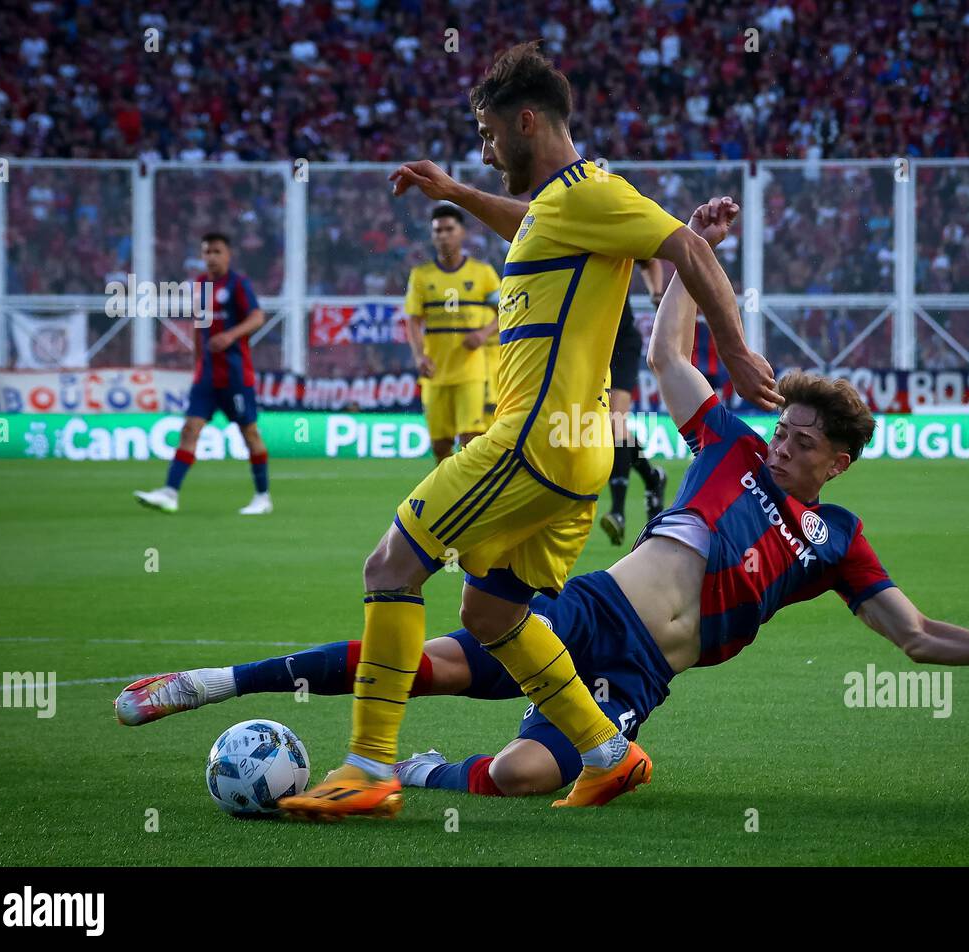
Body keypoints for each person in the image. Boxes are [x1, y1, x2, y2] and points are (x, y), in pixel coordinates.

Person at [117, 197, 969, 802]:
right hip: (589, 607)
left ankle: (414, 772)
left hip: (641, 677)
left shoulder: (838, 540)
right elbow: (670, 356)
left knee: (526, 775)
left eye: (803, 439)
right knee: (433, 665)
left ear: (836, 460)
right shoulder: (729, 443)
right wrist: (682, 262)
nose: (785, 440)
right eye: (784, 426)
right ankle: (215, 680)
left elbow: (915, 635)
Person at [276, 42, 781, 819]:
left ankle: (369, 766)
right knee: (492, 615)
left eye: (487, 133)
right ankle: (608, 754)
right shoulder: (569, 203)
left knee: (390, 566)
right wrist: (456, 189)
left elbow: (682, 247)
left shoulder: (591, 189)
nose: (484, 148)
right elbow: (534, 220)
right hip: (576, 457)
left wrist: (738, 353)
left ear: (528, 120)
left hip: (531, 443)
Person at [134, 232, 272, 515]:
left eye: (216, 251)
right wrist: (198, 362)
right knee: (190, 429)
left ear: (228, 255)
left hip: (235, 376)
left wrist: (231, 335)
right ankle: (170, 493)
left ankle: (262, 497)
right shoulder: (199, 286)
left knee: (249, 434)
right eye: (206, 252)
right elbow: (200, 326)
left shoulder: (238, 284)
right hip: (207, 376)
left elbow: (257, 317)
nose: (210, 257)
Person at [403, 205, 501, 462]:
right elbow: (413, 321)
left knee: (471, 440)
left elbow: (506, 310)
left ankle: (471, 498)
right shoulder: (421, 276)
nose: (443, 236)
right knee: (440, 445)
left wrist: (483, 333)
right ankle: (445, 497)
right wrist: (418, 357)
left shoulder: (483, 273)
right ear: (432, 236)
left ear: (462, 233)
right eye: (438, 231)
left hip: (471, 371)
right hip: (435, 371)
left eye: (449, 229)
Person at [600, 259, 669, 545]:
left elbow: (649, 260)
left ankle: (617, 511)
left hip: (620, 341)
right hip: (586, 343)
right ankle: (653, 478)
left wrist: (656, 293)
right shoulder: (565, 228)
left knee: (615, 422)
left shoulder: (616, 227)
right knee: (605, 427)